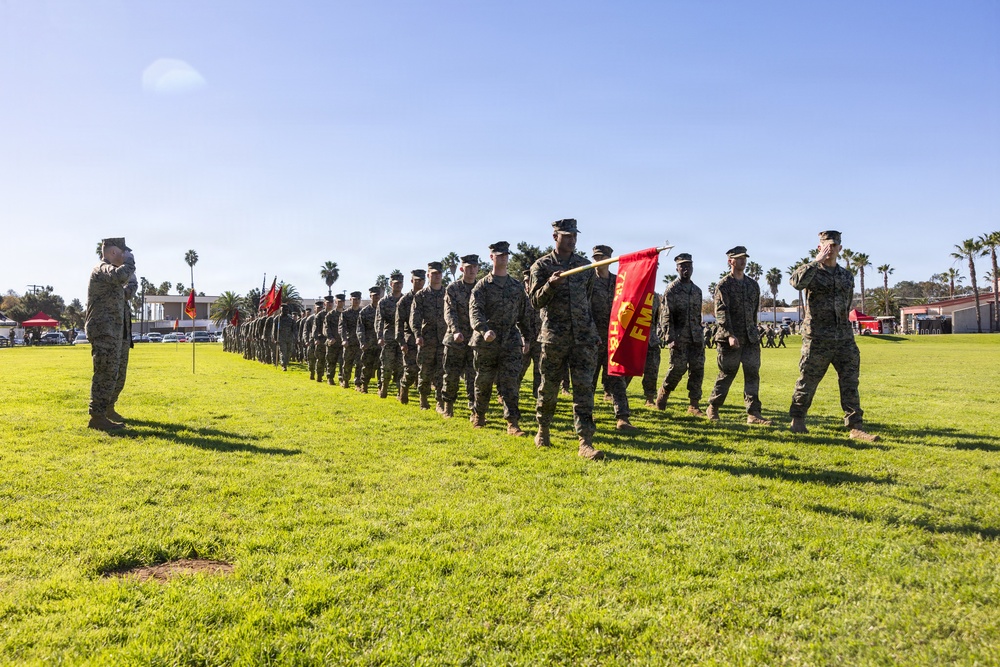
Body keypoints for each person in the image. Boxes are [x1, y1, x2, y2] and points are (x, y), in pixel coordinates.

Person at [789, 231, 879, 441]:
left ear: (840, 248)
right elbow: (795, 283)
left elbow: (847, 304)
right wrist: (815, 262)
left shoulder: (846, 276)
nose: (831, 249)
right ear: (820, 247)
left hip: (844, 338)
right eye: (826, 246)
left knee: (850, 381)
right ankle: (798, 419)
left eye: (834, 246)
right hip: (817, 338)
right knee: (808, 380)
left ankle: (855, 426)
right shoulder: (811, 271)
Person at [528, 218, 604, 461]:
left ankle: (585, 442)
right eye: (566, 235)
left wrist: (592, 332)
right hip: (554, 338)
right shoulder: (542, 266)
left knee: (584, 389)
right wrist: (550, 285)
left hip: (583, 338)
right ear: (555, 237)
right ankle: (543, 429)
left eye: (574, 235)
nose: (572, 240)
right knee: (549, 386)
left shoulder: (584, 267)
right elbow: (534, 301)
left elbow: (588, 300)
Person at [469, 242, 531, 435]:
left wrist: (527, 338)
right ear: (491, 258)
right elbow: (475, 311)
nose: (503, 258)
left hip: (510, 340)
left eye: (505, 255)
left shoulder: (516, 286)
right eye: (499, 255)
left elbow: (524, 314)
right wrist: (483, 329)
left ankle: (512, 422)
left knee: (510, 382)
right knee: (484, 381)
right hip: (487, 341)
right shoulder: (482, 286)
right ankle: (479, 414)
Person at [707, 246, 771, 425]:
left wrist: (754, 331)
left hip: (750, 339)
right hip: (730, 339)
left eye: (745, 258)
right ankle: (713, 406)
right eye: (739, 258)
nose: (743, 261)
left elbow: (753, 313)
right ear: (730, 261)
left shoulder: (752, 285)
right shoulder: (724, 285)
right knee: (727, 374)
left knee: (752, 375)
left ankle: (754, 414)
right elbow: (721, 313)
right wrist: (729, 334)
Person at [85, 237, 136, 431]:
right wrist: (130, 263)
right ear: (114, 252)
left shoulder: (113, 275)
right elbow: (119, 276)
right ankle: (97, 417)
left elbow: (126, 292)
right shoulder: (102, 269)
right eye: (124, 253)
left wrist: (131, 279)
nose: (126, 256)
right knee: (105, 373)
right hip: (104, 330)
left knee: (116, 374)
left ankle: (107, 409)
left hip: (116, 332)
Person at [590, 245, 636, 431]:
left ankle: (622, 418)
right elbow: (583, 309)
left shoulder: (619, 282)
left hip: (614, 339)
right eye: (596, 257)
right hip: (593, 339)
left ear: (610, 260)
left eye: (602, 257)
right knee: (589, 381)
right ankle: (586, 416)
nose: (598, 261)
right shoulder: (589, 281)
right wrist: (591, 332)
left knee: (617, 380)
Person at [655, 253, 706, 416]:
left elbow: (698, 316)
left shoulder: (697, 291)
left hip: (696, 338)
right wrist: (669, 337)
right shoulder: (672, 290)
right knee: (677, 369)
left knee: (697, 369)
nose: (686, 269)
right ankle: (663, 393)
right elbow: (666, 316)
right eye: (682, 266)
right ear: (677, 268)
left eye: (688, 266)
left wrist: (700, 333)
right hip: (679, 338)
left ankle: (694, 405)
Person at [441, 255, 479, 418]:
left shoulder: (481, 287)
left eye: (474, 267)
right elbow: (449, 312)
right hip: (455, 338)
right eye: (468, 267)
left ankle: (474, 409)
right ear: (462, 269)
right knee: (451, 374)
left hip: (475, 339)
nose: (471, 270)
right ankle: (448, 405)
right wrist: (455, 330)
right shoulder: (453, 288)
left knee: (474, 377)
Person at [411, 262, 447, 411]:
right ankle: (424, 399)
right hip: (427, 339)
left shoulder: (447, 293)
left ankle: (440, 401)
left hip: (444, 338)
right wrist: (418, 335)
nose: (437, 276)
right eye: (433, 273)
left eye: (439, 273)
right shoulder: (421, 295)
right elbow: (415, 317)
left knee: (441, 371)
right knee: (425, 371)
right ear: (428, 275)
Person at [108, 266, 137, 423]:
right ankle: (100, 412)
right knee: (108, 376)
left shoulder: (121, 278)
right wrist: (131, 277)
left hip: (123, 336)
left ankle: (109, 408)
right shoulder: (107, 273)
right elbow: (126, 293)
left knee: (120, 377)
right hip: (111, 336)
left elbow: (128, 293)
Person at [395, 270, 425, 404]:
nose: (419, 283)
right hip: (410, 340)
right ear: (412, 281)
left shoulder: (427, 296)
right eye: (417, 280)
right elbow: (399, 324)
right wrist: (401, 342)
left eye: (422, 280)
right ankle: (404, 387)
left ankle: (423, 399)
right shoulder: (404, 301)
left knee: (426, 371)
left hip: (427, 339)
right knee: (411, 370)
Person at [376, 271, 404, 399]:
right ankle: (384, 386)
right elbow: (379, 320)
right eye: (396, 283)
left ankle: (400, 391)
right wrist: (380, 336)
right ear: (391, 284)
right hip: (389, 337)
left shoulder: (406, 300)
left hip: (403, 338)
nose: (398, 286)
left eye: (400, 283)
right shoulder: (384, 302)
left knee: (400, 365)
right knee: (387, 364)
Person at [518, 268, 542, 399]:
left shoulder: (541, 297)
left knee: (539, 370)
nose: (528, 284)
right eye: (526, 281)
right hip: (523, 340)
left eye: (530, 281)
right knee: (519, 369)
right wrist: (522, 337)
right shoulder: (520, 297)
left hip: (539, 340)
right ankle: (509, 394)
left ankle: (537, 395)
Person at [357, 287, 382, 393]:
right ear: (370, 296)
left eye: (378, 295)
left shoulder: (383, 309)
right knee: (367, 366)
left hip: (381, 343)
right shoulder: (365, 312)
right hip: (369, 344)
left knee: (381, 366)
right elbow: (360, 329)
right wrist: (362, 342)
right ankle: (364, 385)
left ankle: (380, 387)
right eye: (374, 295)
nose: (376, 297)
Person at [339, 291, 362, 389]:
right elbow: (342, 328)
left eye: (357, 299)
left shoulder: (362, 312)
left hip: (359, 342)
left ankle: (357, 382)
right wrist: (344, 339)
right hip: (349, 342)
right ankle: (346, 380)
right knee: (347, 363)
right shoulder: (345, 314)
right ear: (350, 300)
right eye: (354, 299)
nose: (356, 301)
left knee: (359, 363)